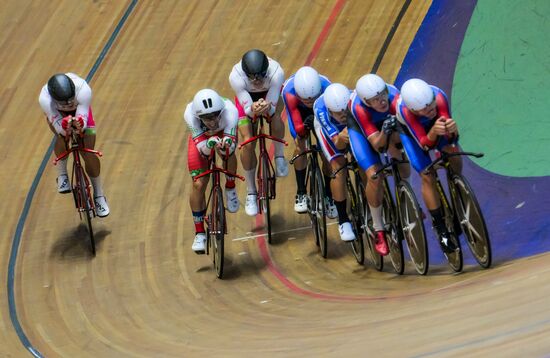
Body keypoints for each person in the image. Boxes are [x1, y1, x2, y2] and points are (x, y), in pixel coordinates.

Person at [348, 74, 410, 256]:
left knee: (400, 153)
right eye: (375, 100)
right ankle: (379, 229)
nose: (382, 101)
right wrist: (384, 131)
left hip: (385, 125)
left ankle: (408, 197)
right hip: (361, 131)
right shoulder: (359, 108)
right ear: (366, 101)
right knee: (375, 175)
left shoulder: (395, 96)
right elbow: (377, 144)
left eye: (383, 95)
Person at [396, 78, 461, 253]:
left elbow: (451, 138)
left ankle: (458, 190)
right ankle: (440, 228)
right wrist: (432, 132)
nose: (431, 109)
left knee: (453, 151)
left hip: (433, 127)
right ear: (413, 109)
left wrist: (453, 130)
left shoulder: (439, 97)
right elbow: (424, 145)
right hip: (413, 134)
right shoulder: (405, 111)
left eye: (432, 104)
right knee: (427, 174)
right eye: (425, 109)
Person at [39, 73, 110, 217]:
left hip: (80, 111)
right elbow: (60, 128)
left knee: (87, 152)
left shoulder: (83, 90)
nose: (69, 105)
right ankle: (62, 174)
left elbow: (83, 122)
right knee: (61, 136)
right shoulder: (45, 99)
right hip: (58, 114)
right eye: (65, 103)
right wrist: (65, 127)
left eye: (71, 100)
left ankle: (99, 195)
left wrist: (79, 124)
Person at [229, 49, 288, 217]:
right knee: (247, 142)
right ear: (245, 74)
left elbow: (273, 107)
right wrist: (252, 109)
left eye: (260, 76)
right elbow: (247, 109)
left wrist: (267, 107)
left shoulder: (277, 72)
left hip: (269, 96)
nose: (256, 81)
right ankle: (251, 192)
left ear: (266, 71)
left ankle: (279, 156)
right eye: (252, 77)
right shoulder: (235, 76)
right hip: (247, 99)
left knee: (275, 117)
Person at [184, 89, 240, 254]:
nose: (213, 121)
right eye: (207, 118)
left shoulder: (231, 111)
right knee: (198, 184)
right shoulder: (189, 114)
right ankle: (199, 232)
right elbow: (203, 150)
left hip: (224, 134)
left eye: (216, 115)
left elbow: (231, 143)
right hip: (202, 141)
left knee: (228, 152)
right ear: (198, 117)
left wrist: (223, 143)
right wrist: (210, 144)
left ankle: (230, 187)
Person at [281, 66, 337, 218]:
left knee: (327, 151)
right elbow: (296, 124)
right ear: (299, 94)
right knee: (301, 145)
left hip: (322, 110)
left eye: (312, 98)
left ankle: (328, 194)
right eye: (306, 99)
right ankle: (301, 193)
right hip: (298, 112)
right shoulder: (288, 92)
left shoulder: (327, 88)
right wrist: (302, 130)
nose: (309, 102)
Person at [312, 83, 356, 242]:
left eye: (346, 111)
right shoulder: (322, 111)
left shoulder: (353, 101)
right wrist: (343, 139)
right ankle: (343, 220)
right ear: (330, 111)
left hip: (353, 126)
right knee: (338, 167)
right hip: (330, 133)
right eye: (339, 114)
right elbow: (338, 144)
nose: (344, 115)